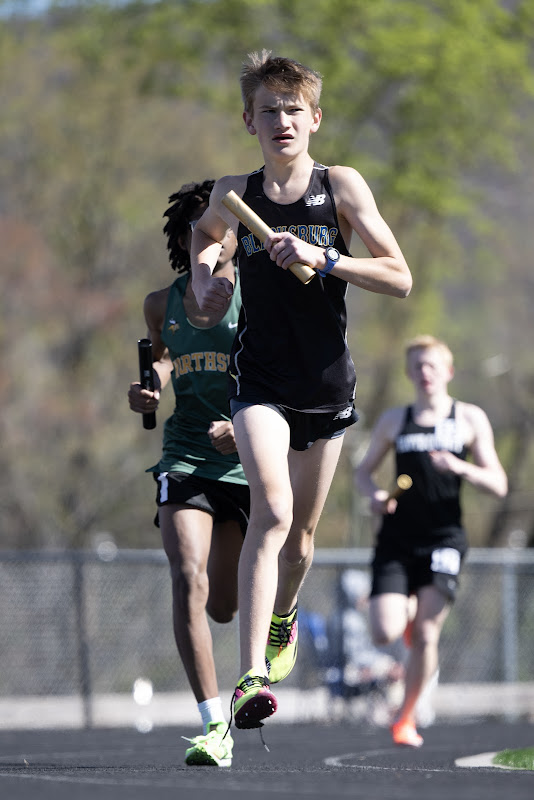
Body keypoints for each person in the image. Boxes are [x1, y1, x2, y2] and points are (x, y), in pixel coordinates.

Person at [190, 50, 412, 731]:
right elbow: (205, 235)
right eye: (268, 110)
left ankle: (285, 614)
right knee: (273, 512)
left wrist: (327, 258)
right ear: (248, 119)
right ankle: (250, 674)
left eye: (293, 110)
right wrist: (206, 279)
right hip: (257, 381)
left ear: (314, 118)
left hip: (326, 385)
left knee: (303, 539)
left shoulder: (340, 187)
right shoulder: (236, 189)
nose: (281, 120)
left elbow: (401, 276)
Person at [128, 180, 249, 767]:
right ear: (184, 239)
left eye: (219, 227)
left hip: (250, 461)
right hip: (185, 454)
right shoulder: (162, 303)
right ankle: (212, 721)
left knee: (224, 605)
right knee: (189, 580)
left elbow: (284, 372)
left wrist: (246, 425)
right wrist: (149, 392)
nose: (210, 238)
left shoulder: (261, 297)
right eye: (198, 228)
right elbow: (161, 360)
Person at [355, 335, 508, 747]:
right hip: (397, 541)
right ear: (409, 373)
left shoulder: (469, 418)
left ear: (448, 372)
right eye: (418, 366)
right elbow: (363, 472)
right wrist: (374, 496)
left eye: (432, 366)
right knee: (385, 632)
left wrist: (460, 466)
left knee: (426, 633)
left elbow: (498, 483)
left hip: (444, 540)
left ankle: (405, 718)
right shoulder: (394, 420)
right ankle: (403, 611)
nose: (425, 373)